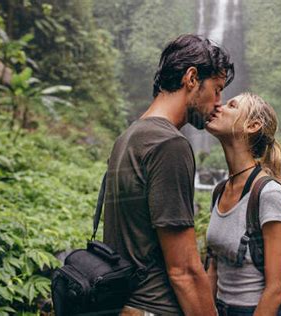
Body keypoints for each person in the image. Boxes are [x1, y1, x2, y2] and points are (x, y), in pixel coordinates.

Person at [103, 34, 234, 315]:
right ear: (191, 78)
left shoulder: (128, 137)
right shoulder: (169, 145)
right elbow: (184, 270)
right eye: (217, 89)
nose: (219, 103)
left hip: (122, 303)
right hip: (154, 308)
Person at [205, 92, 281, 316]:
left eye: (231, 105)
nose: (218, 107)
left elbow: (276, 289)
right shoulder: (220, 191)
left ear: (252, 125)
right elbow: (214, 268)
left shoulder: (269, 193)